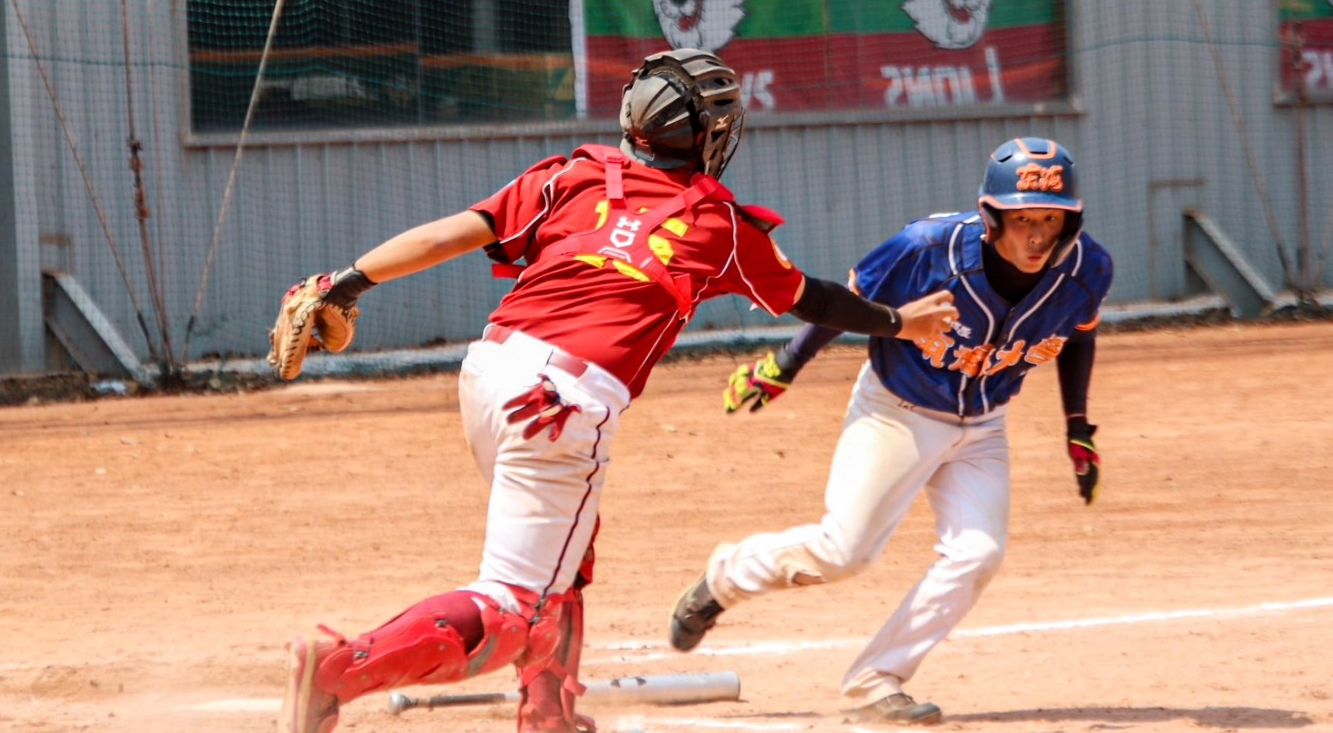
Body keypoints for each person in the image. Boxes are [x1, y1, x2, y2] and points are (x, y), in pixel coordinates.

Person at [275, 48, 959, 733]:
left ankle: (549, 708)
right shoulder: (717, 224)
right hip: (560, 404)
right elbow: (816, 299)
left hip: (490, 371)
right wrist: (897, 322)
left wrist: (348, 281)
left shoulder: (574, 175)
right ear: (707, 137)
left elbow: (452, 233)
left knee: (566, 549)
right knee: (518, 607)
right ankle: (337, 671)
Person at [668, 137, 1113, 726]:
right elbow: (848, 302)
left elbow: (1077, 334)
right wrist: (786, 365)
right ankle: (728, 576)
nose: (1036, 236)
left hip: (983, 427)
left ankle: (877, 679)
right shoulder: (927, 248)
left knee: (978, 553)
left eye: (1050, 220)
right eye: (1022, 218)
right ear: (992, 216)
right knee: (843, 552)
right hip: (897, 410)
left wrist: (1077, 427)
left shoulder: (1086, 270)